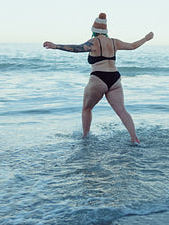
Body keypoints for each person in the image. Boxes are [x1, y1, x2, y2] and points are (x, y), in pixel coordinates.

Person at [43, 13, 154, 144]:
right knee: (122, 111)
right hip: (115, 79)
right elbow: (132, 46)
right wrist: (146, 38)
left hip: (98, 78)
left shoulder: (93, 42)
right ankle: (134, 138)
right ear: (106, 31)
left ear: (94, 30)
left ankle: (85, 137)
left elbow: (77, 48)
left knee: (87, 108)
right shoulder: (114, 42)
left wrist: (56, 46)